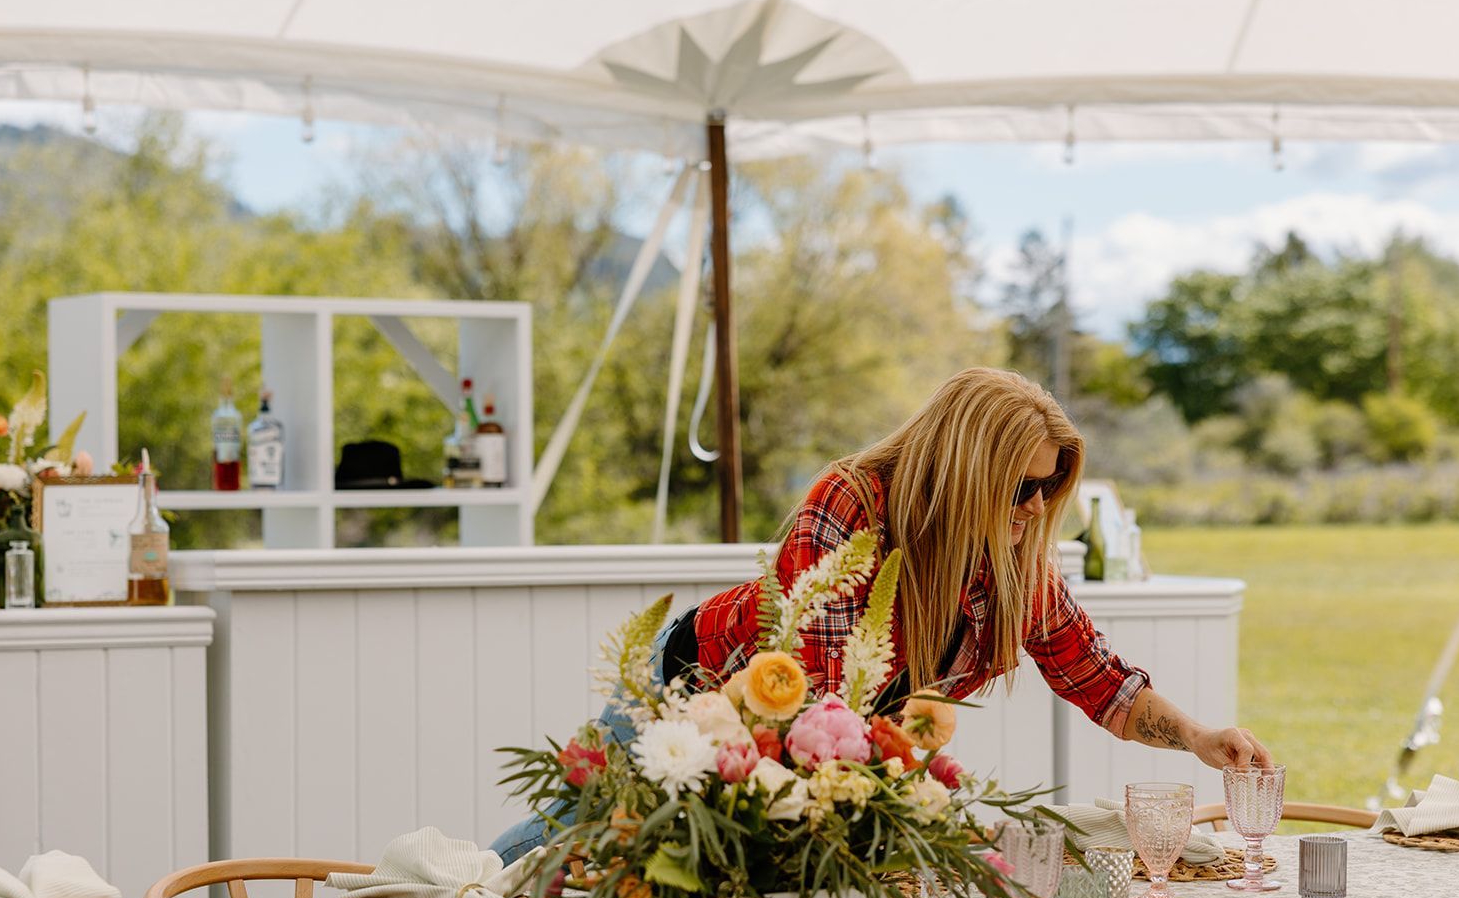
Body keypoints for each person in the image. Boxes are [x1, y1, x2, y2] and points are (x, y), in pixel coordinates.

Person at [490, 367, 1271, 863]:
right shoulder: (852, 503)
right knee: (578, 832)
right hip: (694, 690)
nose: (1036, 508)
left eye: (1047, 487)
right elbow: (826, 712)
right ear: (968, 473)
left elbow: (1098, 678)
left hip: (807, 741)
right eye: (1020, 487)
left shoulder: (1013, 552)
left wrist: (1200, 738)